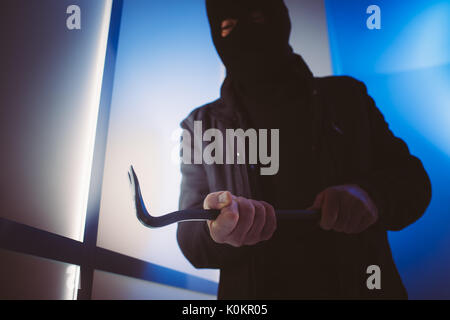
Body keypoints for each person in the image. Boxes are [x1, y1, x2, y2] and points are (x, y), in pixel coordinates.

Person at [176, 0, 431, 299]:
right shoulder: (199, 125)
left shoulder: (348, 98)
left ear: (279, 17)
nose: (244, 35)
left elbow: (414, 182)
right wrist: (217, 232)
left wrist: (371, 196)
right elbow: (189, 235)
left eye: (257, 17)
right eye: (227, 27)